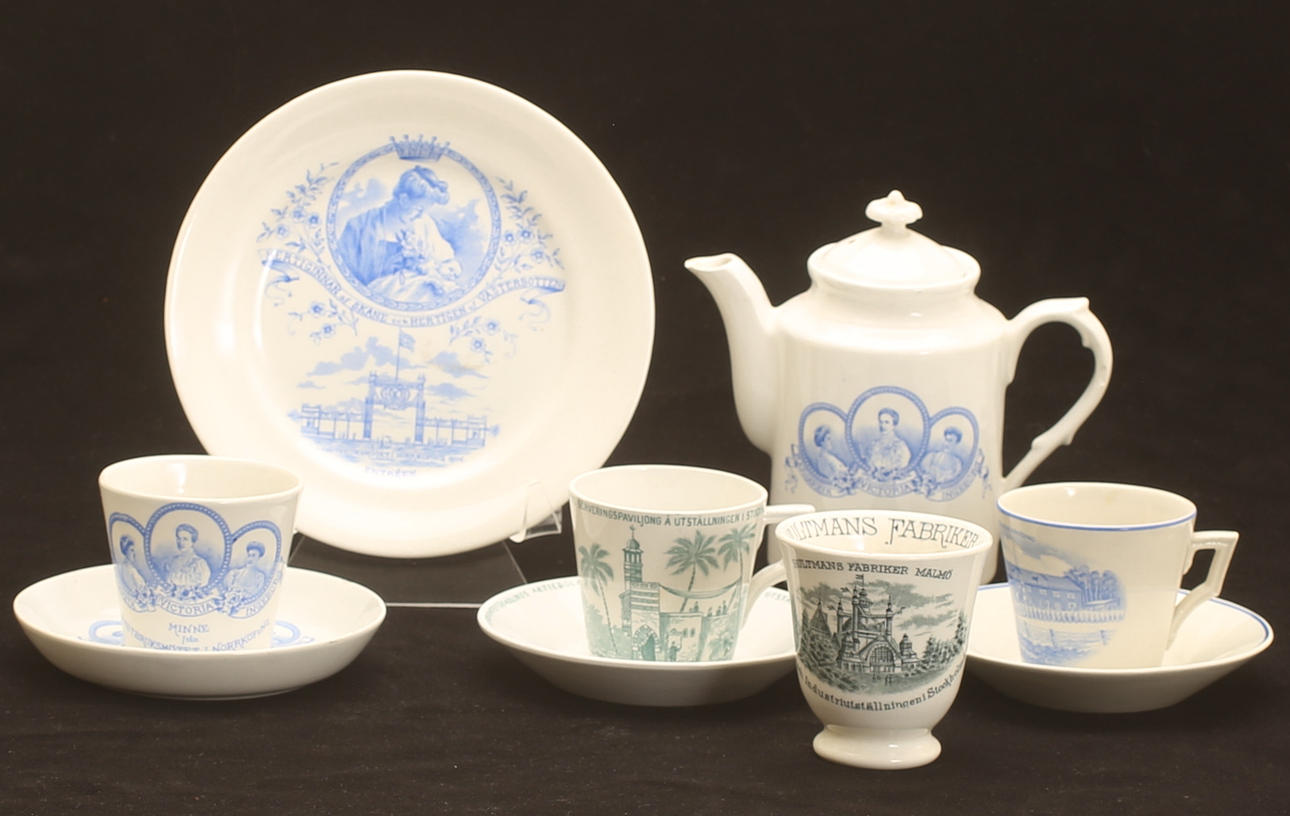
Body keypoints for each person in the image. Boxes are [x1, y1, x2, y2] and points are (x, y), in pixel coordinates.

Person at [337, 166, 463, 300]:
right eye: (419, 209)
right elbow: (344, 277)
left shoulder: (424, 223)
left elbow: (443, 258)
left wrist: (445, 266)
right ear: (404, 200)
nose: (421, 215)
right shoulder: (359, 226)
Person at [864, 407, 912, 477]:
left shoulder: (901, 447)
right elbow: (869, 464)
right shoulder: (873, 445)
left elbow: (903, 465)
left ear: (894, 425)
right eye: (881, 422)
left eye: (887, 422)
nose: (883, 426)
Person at [223, 542, 269, 607]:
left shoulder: (259, 577)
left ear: (259, 558)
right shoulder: (234, 574)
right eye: (249, 555)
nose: (250, 559)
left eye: (253, 555)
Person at [167, 524, 211, 588]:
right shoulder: (172, 562)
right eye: (179, 538)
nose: (181, 542)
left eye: (185, 539)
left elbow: (203, 584)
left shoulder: (200, 563)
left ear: (193, 542)